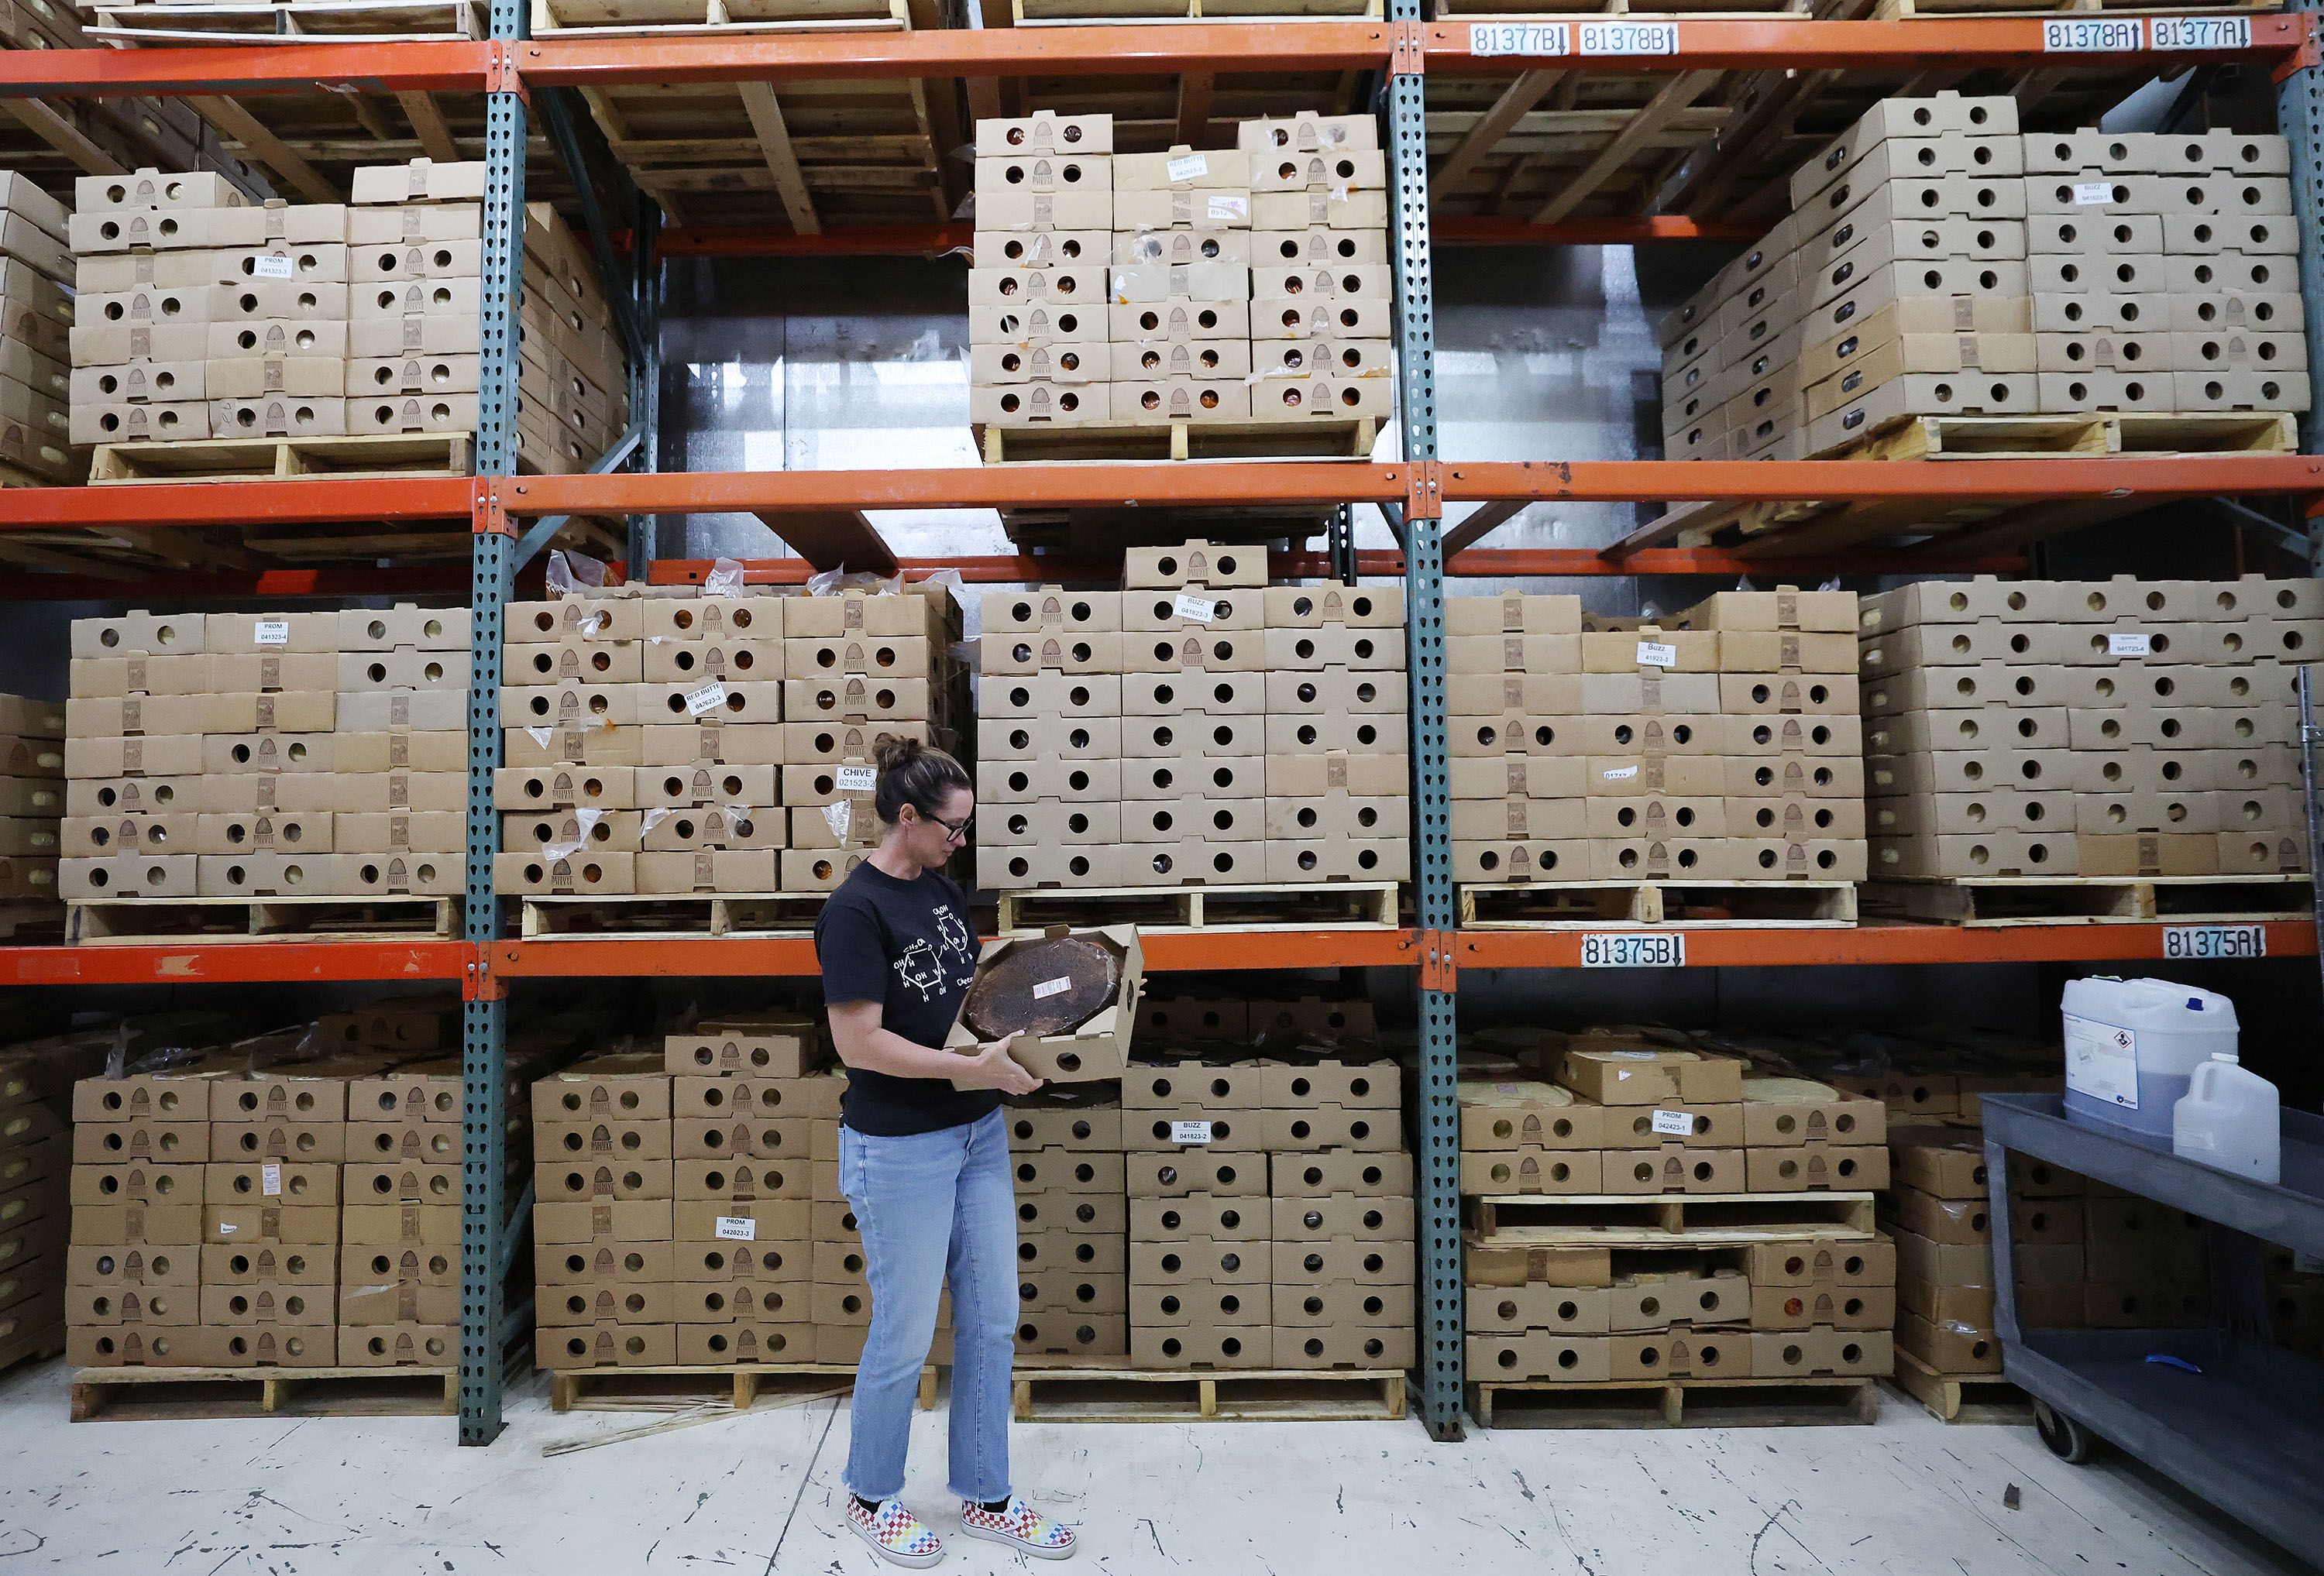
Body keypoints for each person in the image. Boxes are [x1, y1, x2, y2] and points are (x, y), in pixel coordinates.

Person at [813, 736, 1078, 1567]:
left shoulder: (937, 892)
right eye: (952, 828)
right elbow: (860, 1043)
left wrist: (1031, 1026)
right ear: (906, 817)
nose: (960, 841)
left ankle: (987, 1493)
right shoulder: (853, 912)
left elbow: (961, 1001)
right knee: (902, 1330)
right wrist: (972, 1067)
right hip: (899, 1149)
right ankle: (872, 1493)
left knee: (994, 1315)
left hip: (975, 1135)